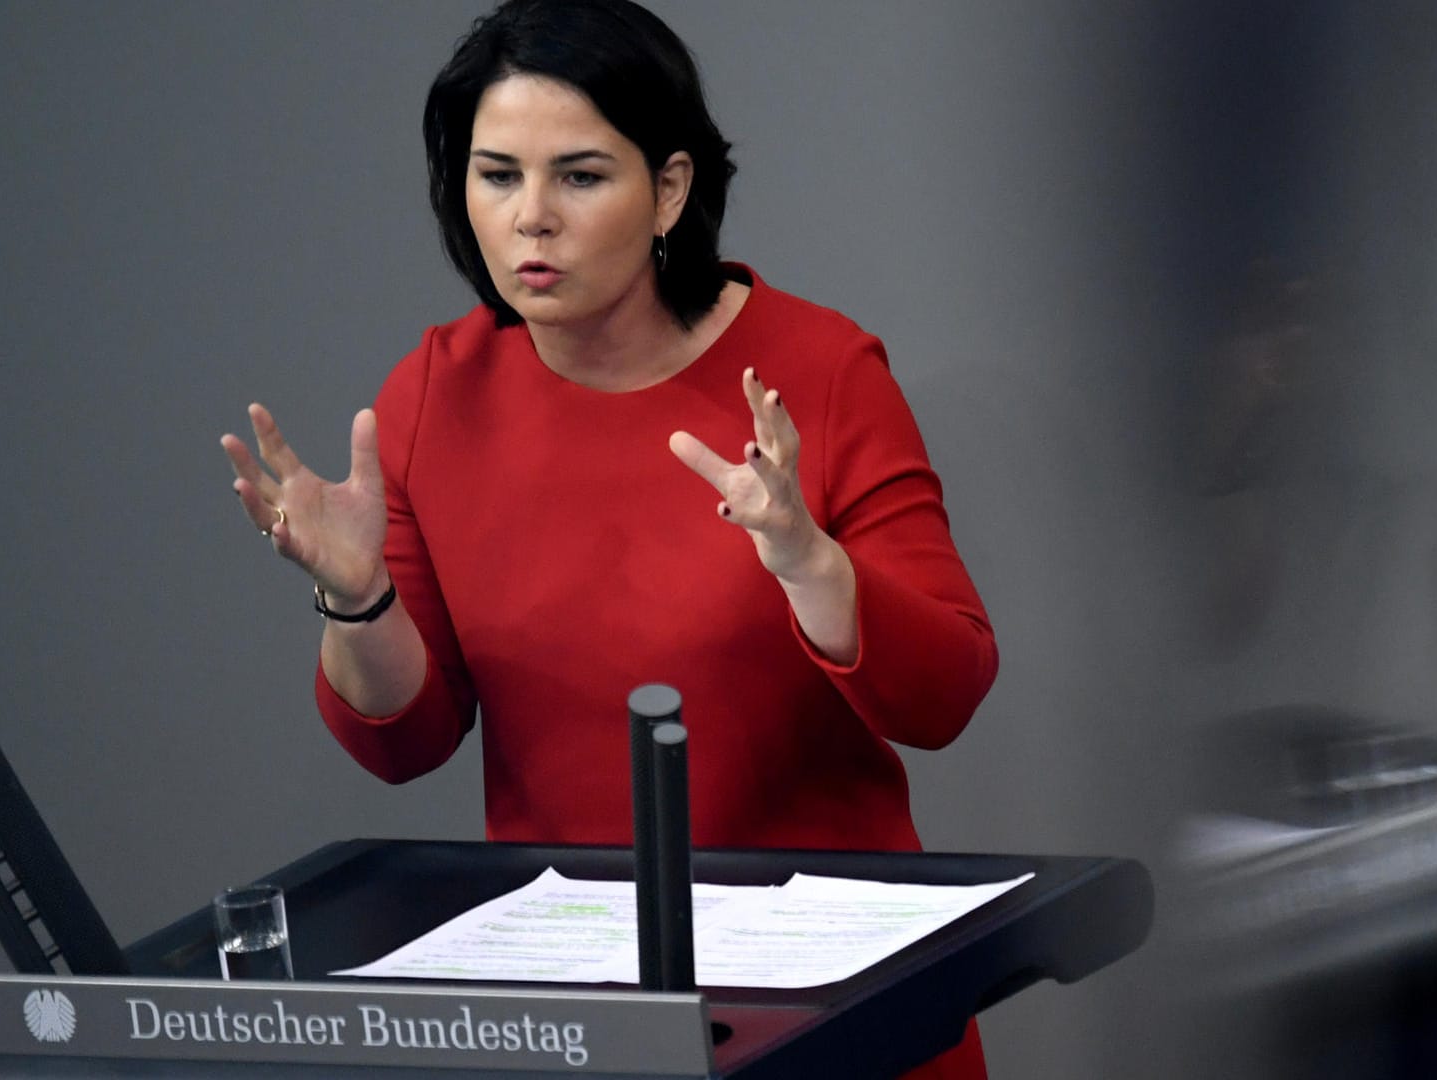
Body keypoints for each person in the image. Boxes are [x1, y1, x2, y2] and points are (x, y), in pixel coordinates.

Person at [221, 2, 997, 1076]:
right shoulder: (435, 393)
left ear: (669, 188)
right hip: (576, 1017)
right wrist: (357, 597)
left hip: (837, 1009)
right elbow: (404, 743)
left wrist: (809, 561)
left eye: (580, 176)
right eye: (497, 176)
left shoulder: (817, 369)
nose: (531, 218)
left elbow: (948, 693)